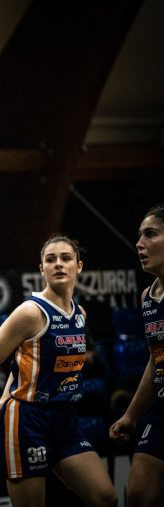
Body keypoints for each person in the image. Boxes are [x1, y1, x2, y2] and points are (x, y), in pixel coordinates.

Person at [0, 235, 118, 507]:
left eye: (66, 258)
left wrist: (6, 395)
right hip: (28, 420)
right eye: (50, 260)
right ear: (41, 269)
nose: (58, 264)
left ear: (79, 266)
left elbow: (23, 365)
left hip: (65, 417)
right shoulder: (30, 312)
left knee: (106, 498)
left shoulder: (80, 314)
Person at [109, 203, 164, 507]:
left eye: (151, 234)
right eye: (139, 236)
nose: (140, 244)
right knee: (138, 497)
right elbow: (157, 360)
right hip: (160, 413)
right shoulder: (148, 297)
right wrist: (131, 414)